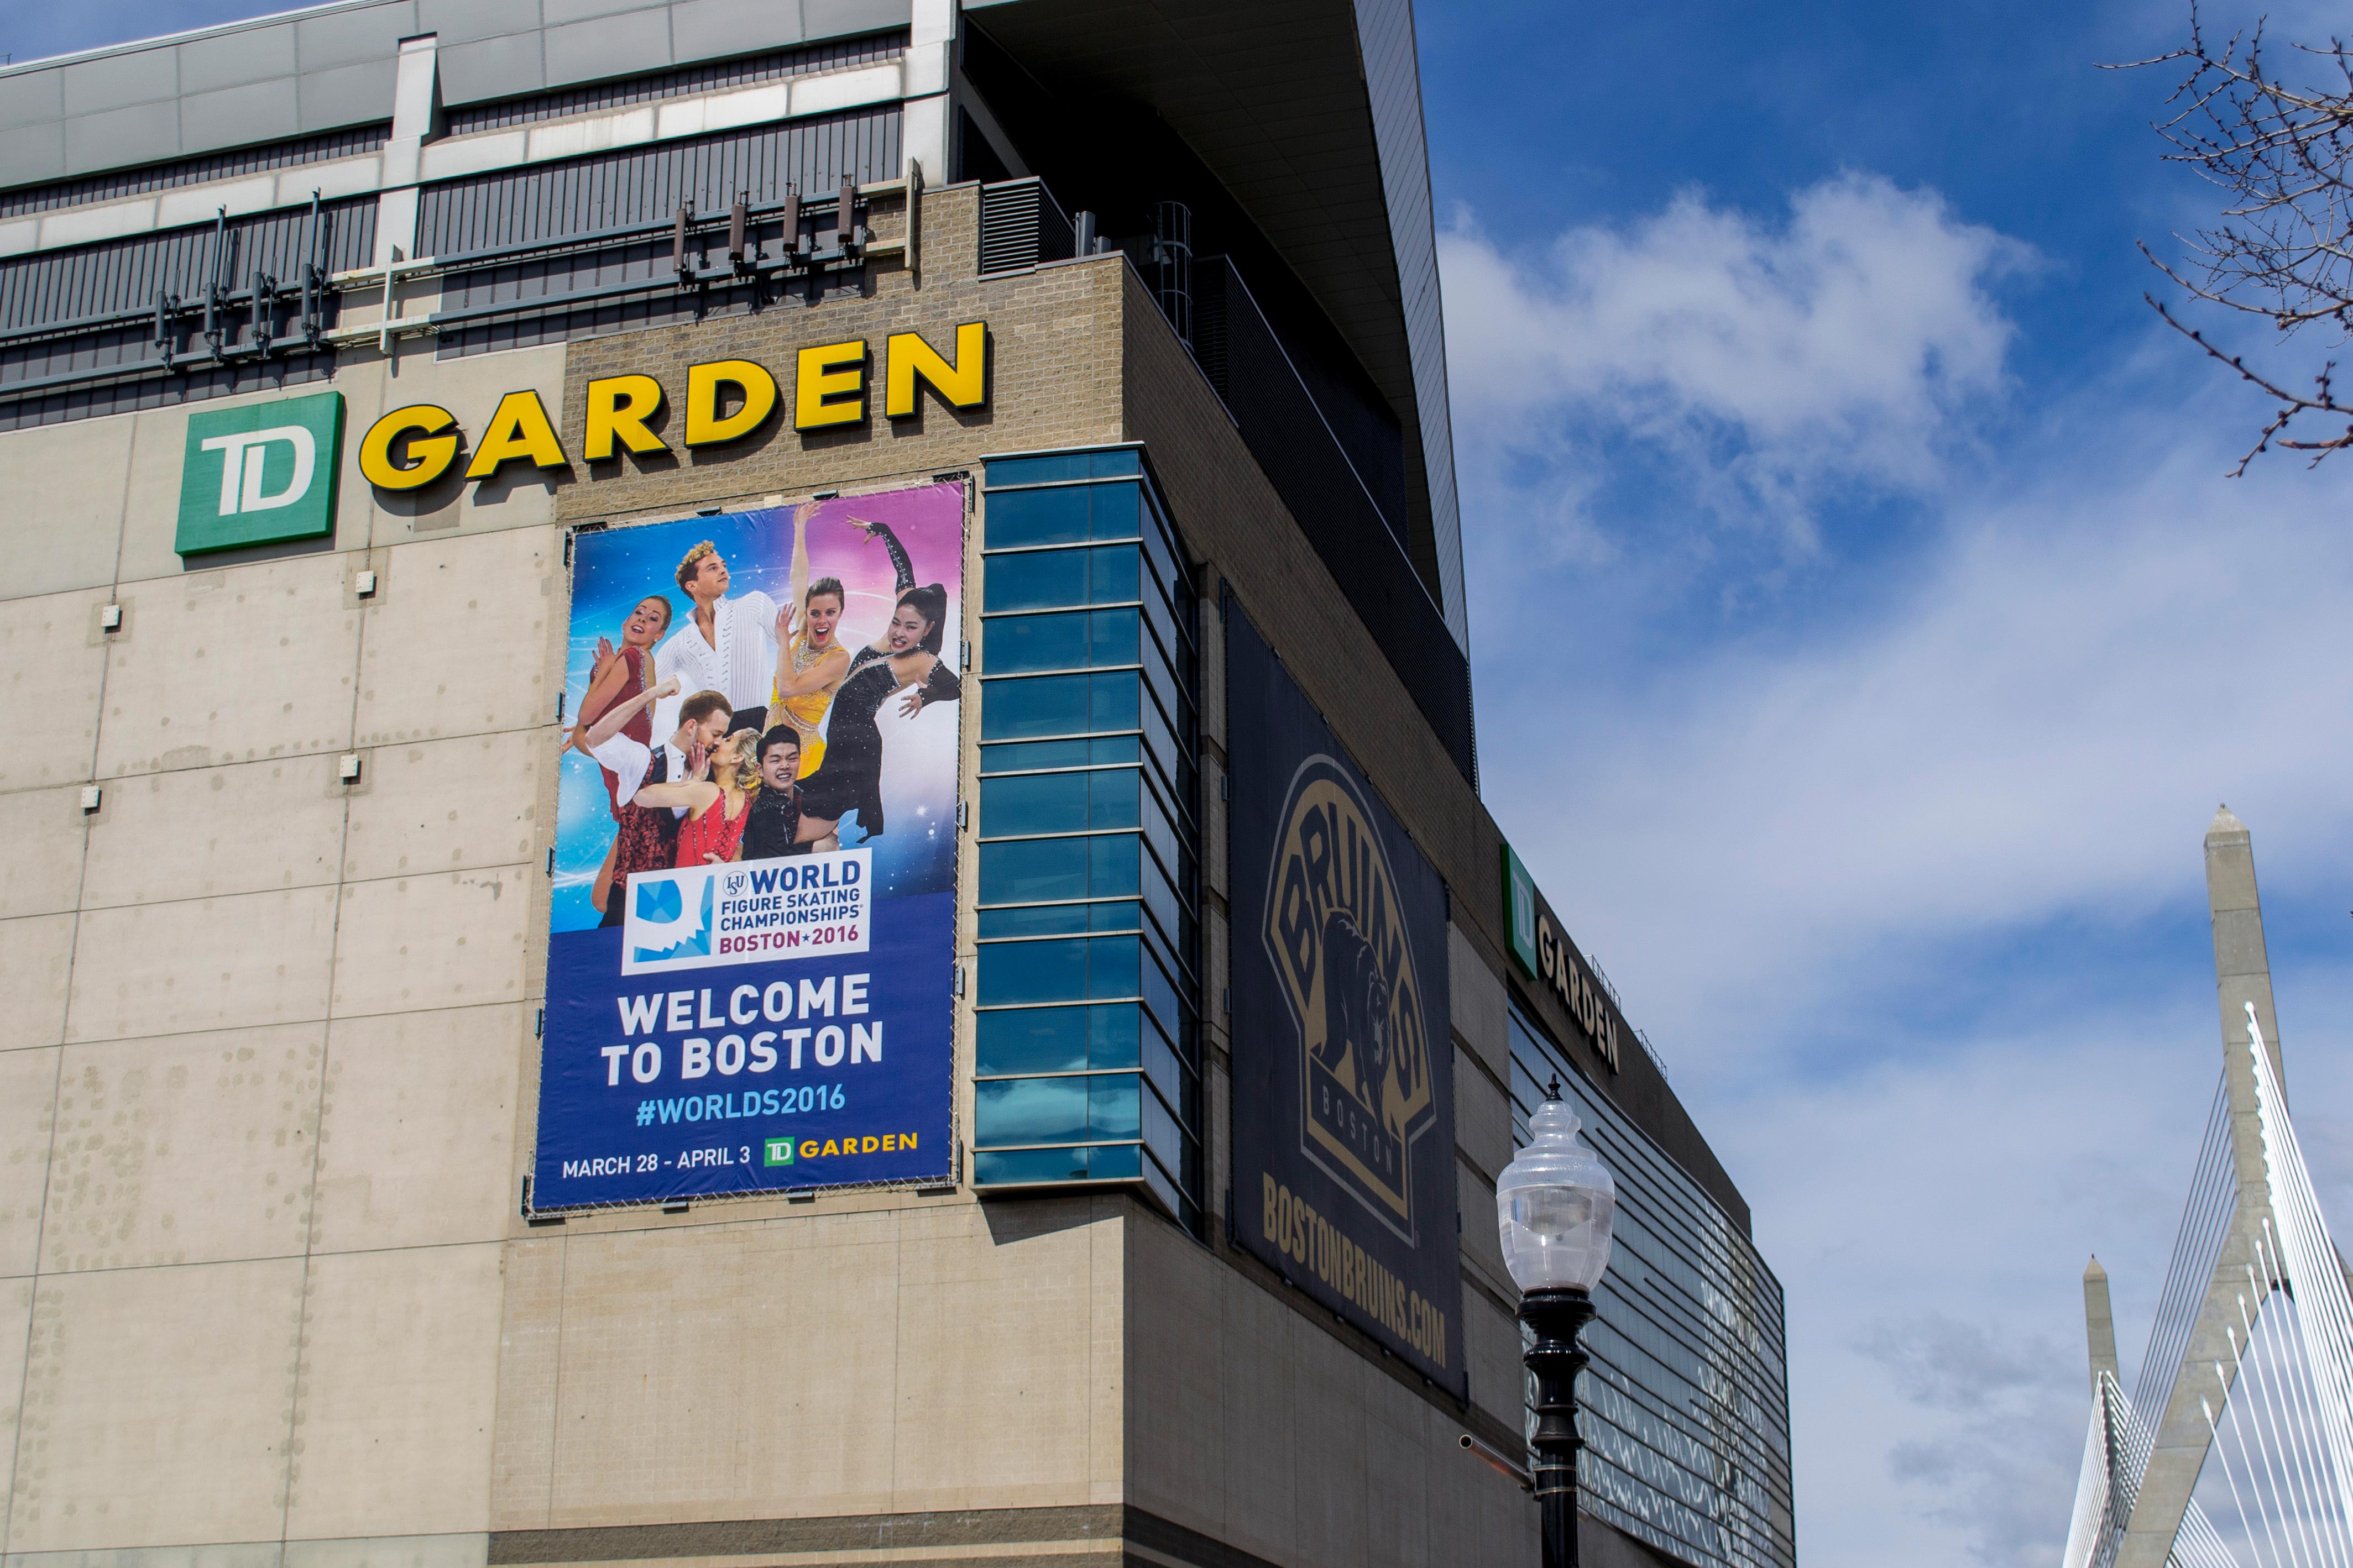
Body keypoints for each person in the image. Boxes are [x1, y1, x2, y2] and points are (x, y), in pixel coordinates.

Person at [794, 581, 961, 849]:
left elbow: (955, 686)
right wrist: (886, 536)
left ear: (928, 629)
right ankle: (811, 847)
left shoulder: (923, 659)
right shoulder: (893, 638)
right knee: (813, 794)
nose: (899, 632)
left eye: (910, 628)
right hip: (842, 735)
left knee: (826, 798)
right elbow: (907, 576)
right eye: (896, 623)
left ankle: (802, 848)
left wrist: (925, 697)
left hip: (858, 741)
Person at [768, 510, 918, 778]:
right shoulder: (803, 632)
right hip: (768, 749)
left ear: (840, 613)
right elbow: (799, 576)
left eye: (830, 613)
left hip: (800, 761)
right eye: (815, 613)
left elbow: (788, 688)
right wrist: (800, 528)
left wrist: (782, 642)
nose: (821, 620)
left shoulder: (838, 659)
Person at [581, 679, 733, 925]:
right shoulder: (643, 760)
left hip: (678, 908)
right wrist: (650, 694)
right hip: (627, 907)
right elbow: (595, 740)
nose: (718, 742)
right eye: (716, 734)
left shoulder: (712, 777)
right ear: (692, 726)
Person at [652, 539, 780, 742]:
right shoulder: (679, 643)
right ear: (692, 585)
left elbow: (792, 644)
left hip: (758, 724)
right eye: (713, 568)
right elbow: (648, 689)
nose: (723, 571)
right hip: (712, 736)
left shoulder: (754, 604)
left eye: (724, 566)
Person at [568, 593, 673, 815]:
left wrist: (582, 732)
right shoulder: (609, 665)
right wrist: (581, 734)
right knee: (630, 835)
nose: (643, 620)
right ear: (626, 622)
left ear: (660, 635)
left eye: (653, 619)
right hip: (619, 768)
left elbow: (586, 717)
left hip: (629, 764)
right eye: (639, 613)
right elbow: (589, 721)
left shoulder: (634, 657)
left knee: (634, 828)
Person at [630, 726, 759, 868]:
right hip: (715, 886)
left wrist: (694, 781)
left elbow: (642, 797)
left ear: (737, 757)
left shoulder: (708, 792)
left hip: (685, 884)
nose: (719, 742)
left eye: (728, 740)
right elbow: (738, 850)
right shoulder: (747, 801)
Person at [740, 726, 811, 861]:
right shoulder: (761, 812)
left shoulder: (804, 795)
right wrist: (816, 848)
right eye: (775, 760)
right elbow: (779, 863)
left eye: (792, 759)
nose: (785, 766)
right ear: (760, 769)